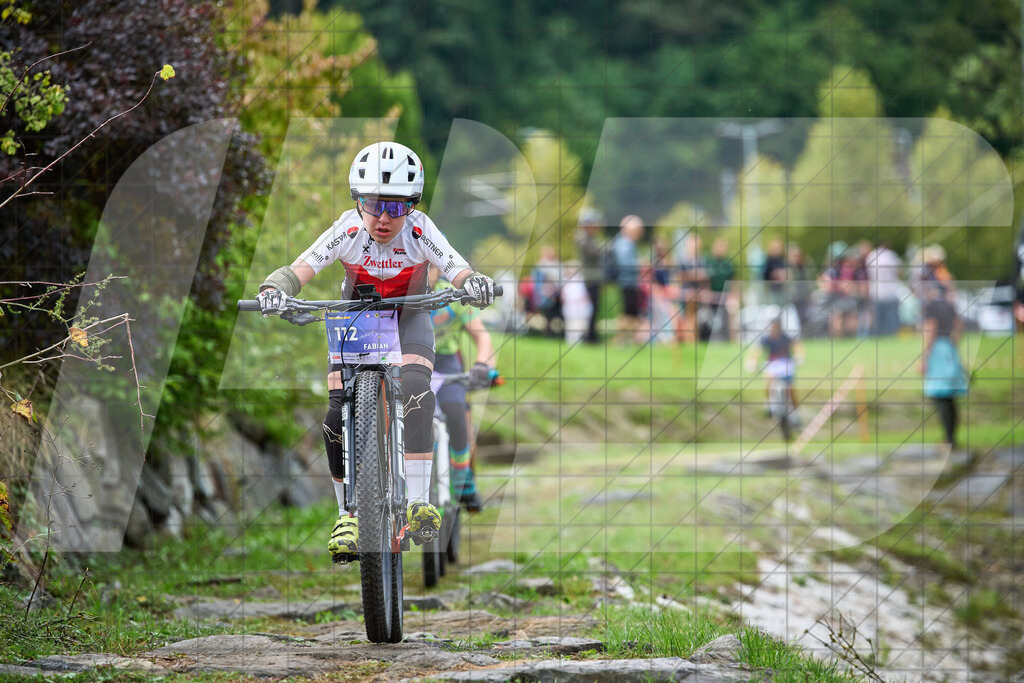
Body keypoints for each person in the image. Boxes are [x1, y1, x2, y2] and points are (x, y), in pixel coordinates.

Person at [256, 141, 497, 561]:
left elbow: (458, 269)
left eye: (396, 208)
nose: (384, 218)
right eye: (372, 205)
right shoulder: (346, 229)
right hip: (357, 321)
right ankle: (346, 513)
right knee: (335, 413)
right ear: (358, 201)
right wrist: (275, 289)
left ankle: (419, 501)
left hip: (411, 320)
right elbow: (300, 269)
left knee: (420, 392)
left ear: (412, 206)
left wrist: (473, 283)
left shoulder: (421, 230)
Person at [427, 266, 497, 512]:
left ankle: (462, 476)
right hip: (412, 361)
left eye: (430, 264)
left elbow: (482, 337)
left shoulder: (452, 295)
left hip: (446, 362)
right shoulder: (401, 293)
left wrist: (483, 365)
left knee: (457, 412)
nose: (425, 270)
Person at [921, 284, 967, 447]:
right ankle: (951, 437)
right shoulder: (950, 305)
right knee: (950, 397)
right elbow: (959, 324)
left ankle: (949, 438)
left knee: (939, 395)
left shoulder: (930, 306)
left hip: (937, 351)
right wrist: (954, 342)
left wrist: (925, 356)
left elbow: (931, 328)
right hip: (949, 348)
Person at [746, 317, 804, 414]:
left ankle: (795, 411)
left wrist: (799, 356)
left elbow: (797, 345)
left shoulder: (785, 337)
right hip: (772, 364)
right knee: (769, 382)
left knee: (790, 388)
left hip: (785, 363)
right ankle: (769, 404)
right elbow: (756, 351)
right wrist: (752, 362)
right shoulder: (766, 338)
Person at [574, 208, 606, 343]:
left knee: (594, 308)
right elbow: (596, 253)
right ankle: (590, 337)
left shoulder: (589, 238)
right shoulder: (583, 238)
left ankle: (591, 335)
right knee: (591, 308)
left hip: (593, 277)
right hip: (590, 278)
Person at [611, 215, 643, 344]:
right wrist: (640, 264)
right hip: (626, 282)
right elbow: (625, 264)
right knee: (627, 313)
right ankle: (620, 340)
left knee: (631, 312)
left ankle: (631, 340)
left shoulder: (625, 243)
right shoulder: (624, 243)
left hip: (628, 282)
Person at [866, 240, 904, 336]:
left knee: (878, 321)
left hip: (876, 292)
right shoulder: (891, 255)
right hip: (891, 292)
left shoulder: (871, 256)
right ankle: (892, 336)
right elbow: (898, 272)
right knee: (891, 320)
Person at [704, 237, 735, 341]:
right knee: (710, 320)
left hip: (725, 296)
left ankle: (730, 340)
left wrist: (734, 296)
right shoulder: (708, 262)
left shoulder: (729, 263)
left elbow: (733, 281)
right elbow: (706, 280)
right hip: (712, 297)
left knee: (728, 320)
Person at [530, 245, 563, 336]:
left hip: (557, 296)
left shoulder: (558, 265)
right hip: (545, 297)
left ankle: (556, 335)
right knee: (546, 317)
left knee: (557, 317)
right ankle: (548, 335)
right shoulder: (539, 267)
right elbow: (536, 283)